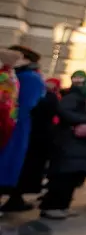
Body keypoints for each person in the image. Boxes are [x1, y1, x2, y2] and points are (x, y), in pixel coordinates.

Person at [40, 72, 86, 219]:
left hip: (85, 144)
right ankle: (50, 206)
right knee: (63, 176)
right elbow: (64, 112)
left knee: (73, 177)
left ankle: (64, 205)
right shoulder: (76, 96)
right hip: (69, 142)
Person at [2, 77, 61, 211]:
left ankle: (16, 198)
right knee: (23, 169)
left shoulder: (45, 97)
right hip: (33, 139)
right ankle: (15, 198)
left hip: (33, 138)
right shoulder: (47, 98)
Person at [0, 46, 46, 208]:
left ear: (26, 59)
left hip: (14, 125)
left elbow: (26, 105)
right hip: (7, 123)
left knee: (6, 162)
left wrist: (9, 116)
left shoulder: (30, 78)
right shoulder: (12, 74)